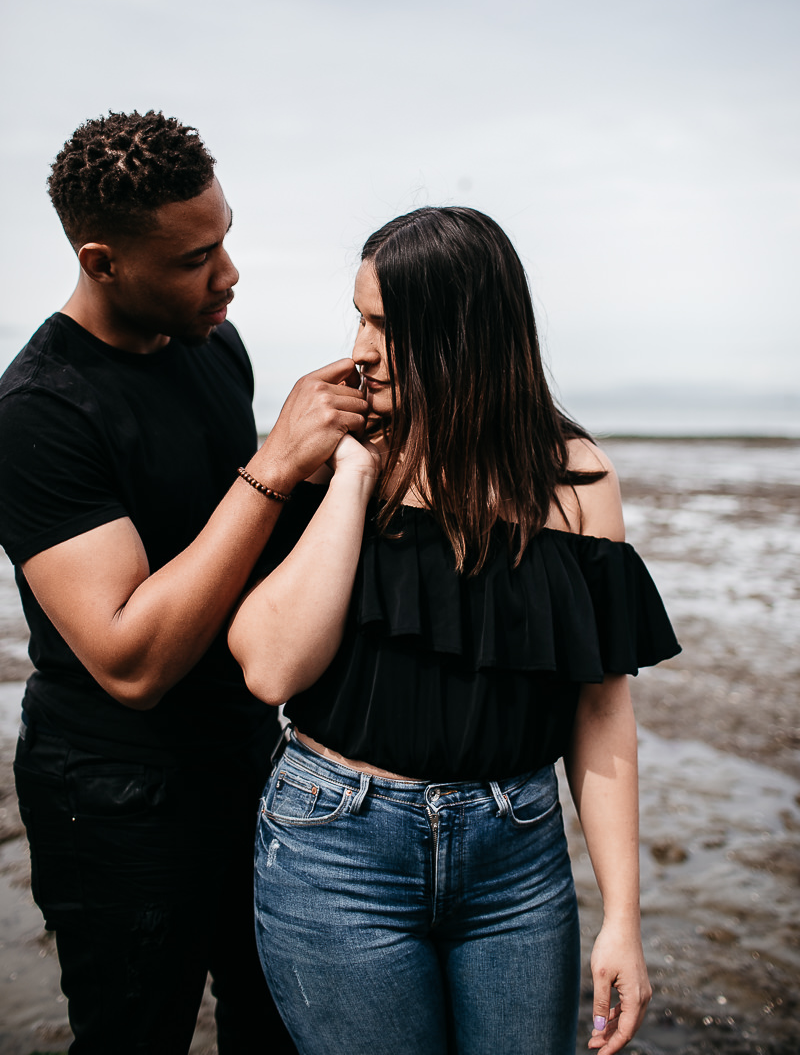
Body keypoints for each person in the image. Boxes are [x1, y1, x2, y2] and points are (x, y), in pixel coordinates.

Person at [228, 206, 681, 1055]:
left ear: (461, 334)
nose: (360, 349)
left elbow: (599, 708)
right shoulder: (336, 453)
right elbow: (271, 668)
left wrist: (622, 918)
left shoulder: (578, 482)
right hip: (338, 852)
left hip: (516, 864)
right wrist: (355, 475)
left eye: (384, 325)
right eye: (358, 317)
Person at [0, 110, 368, 1054]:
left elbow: (236, 547)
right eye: (195, 259)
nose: (228, 275)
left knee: (279, 1028)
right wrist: (274, 464)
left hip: (250, 754)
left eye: (226, 239)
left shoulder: (214, 346)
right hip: (116, 795)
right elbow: (132, 661)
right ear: (102, 261)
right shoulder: (39, 411)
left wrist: (341, 462)